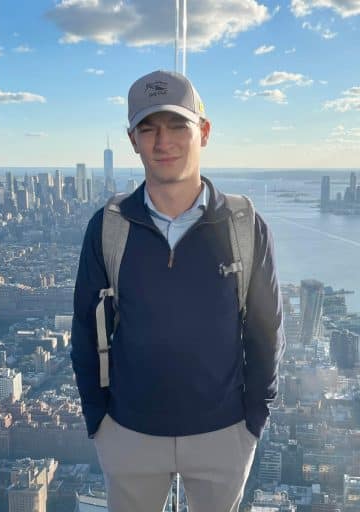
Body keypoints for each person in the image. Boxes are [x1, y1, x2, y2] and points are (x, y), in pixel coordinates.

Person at [71, 69, 286, 512]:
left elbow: (266, 332)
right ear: (132, 140)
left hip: (223, 435)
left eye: (177, 126)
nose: (162, 141)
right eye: (148, 128)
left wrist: (252, 422)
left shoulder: (243, 226)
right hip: (128, 434)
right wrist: (100, 422)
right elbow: (84, 331)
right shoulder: (109, 228)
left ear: (203, 132)